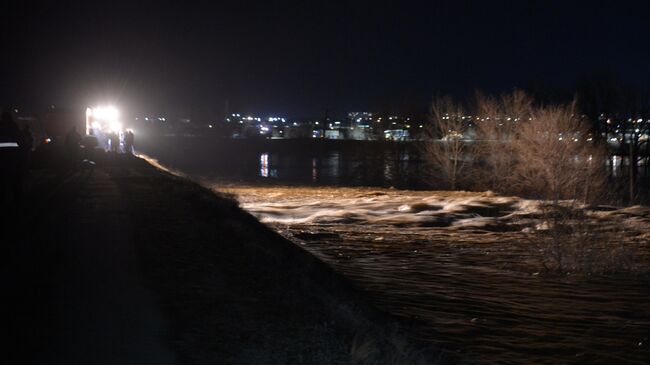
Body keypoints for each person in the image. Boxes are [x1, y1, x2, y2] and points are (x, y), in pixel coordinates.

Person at [0, 111, 25, 206]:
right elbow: (23, 145)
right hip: (13, 162)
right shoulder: (15, 130)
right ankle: (16, 203)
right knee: (15, 183)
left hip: (2, 162)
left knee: (2, 184)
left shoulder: (1, 129)